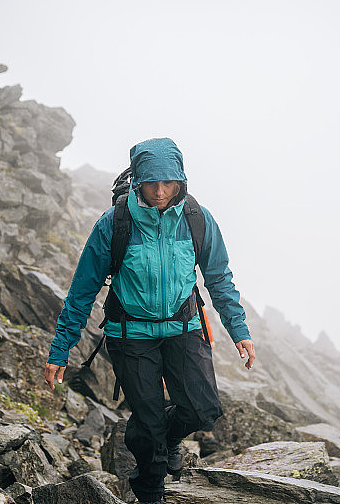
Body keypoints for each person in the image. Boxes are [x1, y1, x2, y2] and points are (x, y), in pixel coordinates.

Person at [44, 137, 255, 504]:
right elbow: (81, 292)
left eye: (168, 183)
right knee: (150, 425)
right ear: (137, 181)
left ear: (181, 181)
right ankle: (150, 492)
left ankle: (162, 436)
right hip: (131, 334)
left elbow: (219, 278)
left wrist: (239, 329)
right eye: (151, 183)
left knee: (203, 409)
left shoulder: (197, 219)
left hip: (184, 328)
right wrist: (60, 350)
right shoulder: (114, 224)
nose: (159, 192)